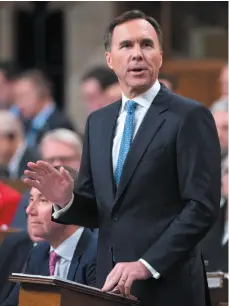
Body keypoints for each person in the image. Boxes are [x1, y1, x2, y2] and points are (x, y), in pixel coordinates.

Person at [24, 10, 221, 306]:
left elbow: (201, 206)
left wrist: (147, 263)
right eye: (126, 46)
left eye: (146, 45)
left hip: (169, 286)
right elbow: (100, 210)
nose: (137, 54)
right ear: (109, 59)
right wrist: (65, 201)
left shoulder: (190, 116)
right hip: (111, 286)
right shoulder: (98, 122)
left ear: (160, 56)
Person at [1, 166, 97, 306]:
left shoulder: (97, 254)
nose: (29, 210)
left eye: (43, 200)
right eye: (31, 199)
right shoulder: (38, 252)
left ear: (70, 205)